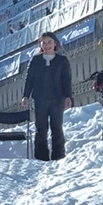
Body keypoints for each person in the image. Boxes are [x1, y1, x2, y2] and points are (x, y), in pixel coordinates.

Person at [21, 32, 73, 161]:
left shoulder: (62, 61)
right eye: (44, 42)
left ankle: (58, 155)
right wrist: (25, 96)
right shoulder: (35, 61)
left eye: (49, 42)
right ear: (40, 45)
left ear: (55, 43)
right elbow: (29, 79)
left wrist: (68, 97)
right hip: (40, 99)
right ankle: (41, 156)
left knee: (57, 127)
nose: (47, 45)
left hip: (57, 99)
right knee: (41, 127)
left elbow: (66, 80)